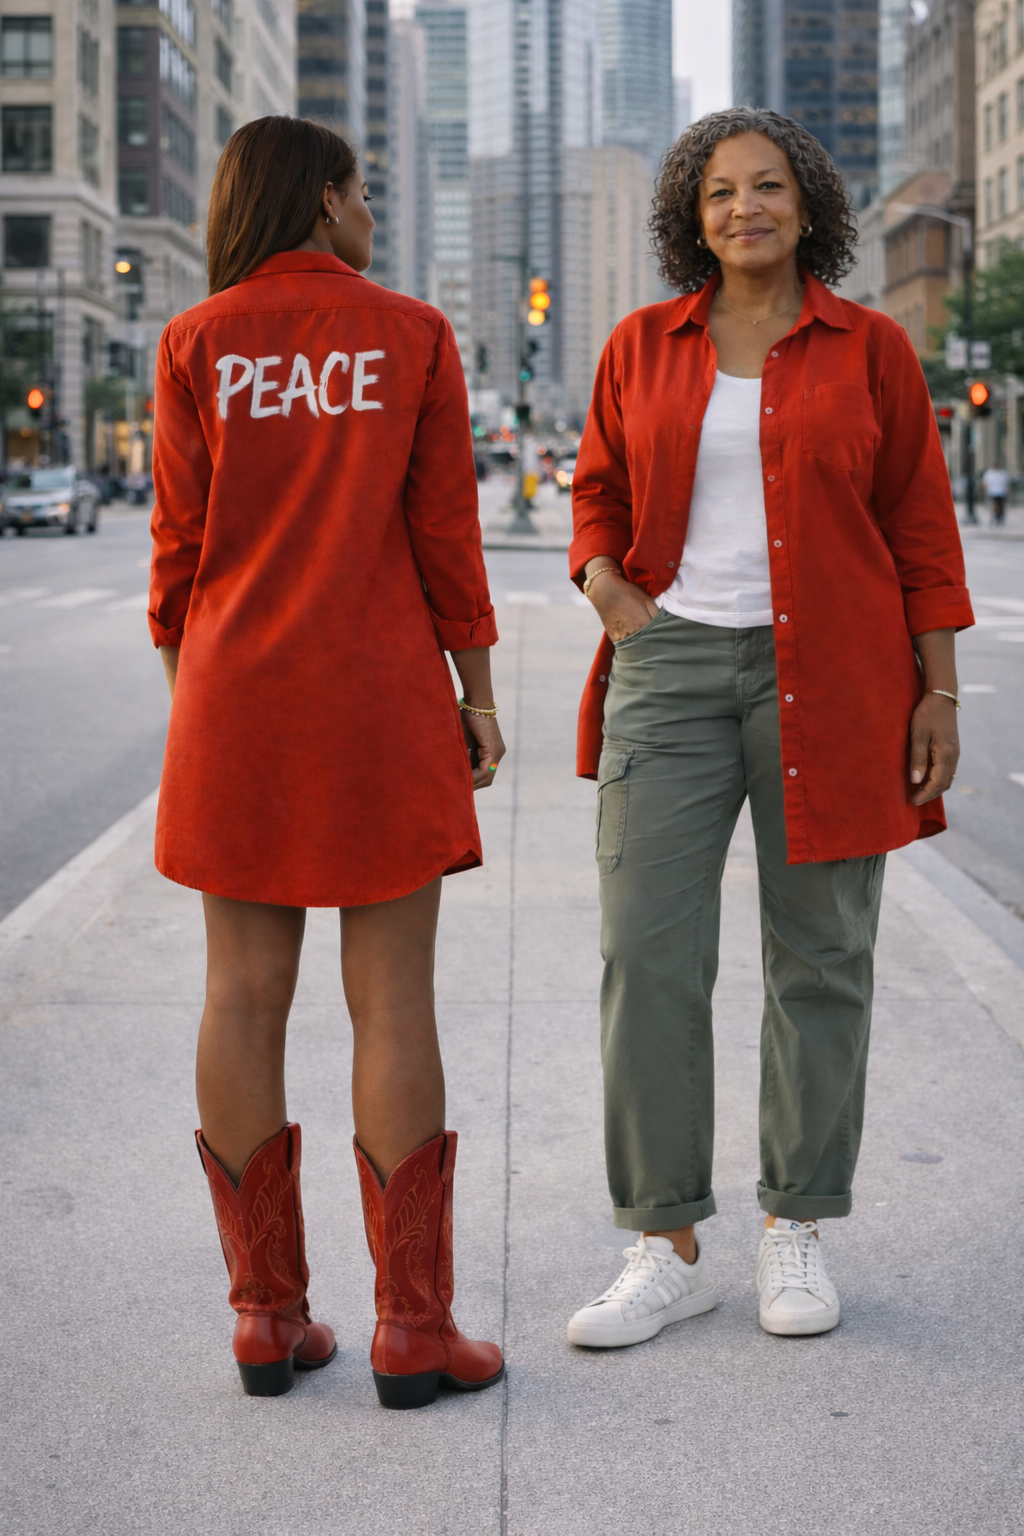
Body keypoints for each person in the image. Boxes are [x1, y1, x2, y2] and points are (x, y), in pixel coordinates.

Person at [566, 107, 973, 1348]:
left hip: (839, 680)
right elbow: (595, 488)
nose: (744, 207)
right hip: (671, 667)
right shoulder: (642, 344)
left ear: (808, 205)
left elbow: (918, 526)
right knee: (648, 955)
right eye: (718, 193)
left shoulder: (872, 351)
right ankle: (664, 1242)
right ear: (692, 218)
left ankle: (795, 1224)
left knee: (821, 958)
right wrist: (608, 588)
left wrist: (937, 689)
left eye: (766, 186)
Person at [148, 116, 505, 1409]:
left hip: (233, 704)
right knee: (391, 1000)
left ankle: (268, 1316)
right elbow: (447, 538)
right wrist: (475, 691)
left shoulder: (194, 341)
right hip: (376, 703)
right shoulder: (409, 333)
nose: (372, 219)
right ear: (330, 200)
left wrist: (199, 706)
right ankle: (413, 1328)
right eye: (365, 195)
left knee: (239, 994)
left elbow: (175, 559)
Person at [982, 462, 1009, 526]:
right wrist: (986, 489)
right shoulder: (989, 473)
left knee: (1001, 506)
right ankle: (994, 516)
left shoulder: (1003, 473)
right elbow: (985, 483)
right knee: (994, 505)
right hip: (992, 492)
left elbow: (1006, 483)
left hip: (1001, 492)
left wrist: (1007, 492)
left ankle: (1000, 517)